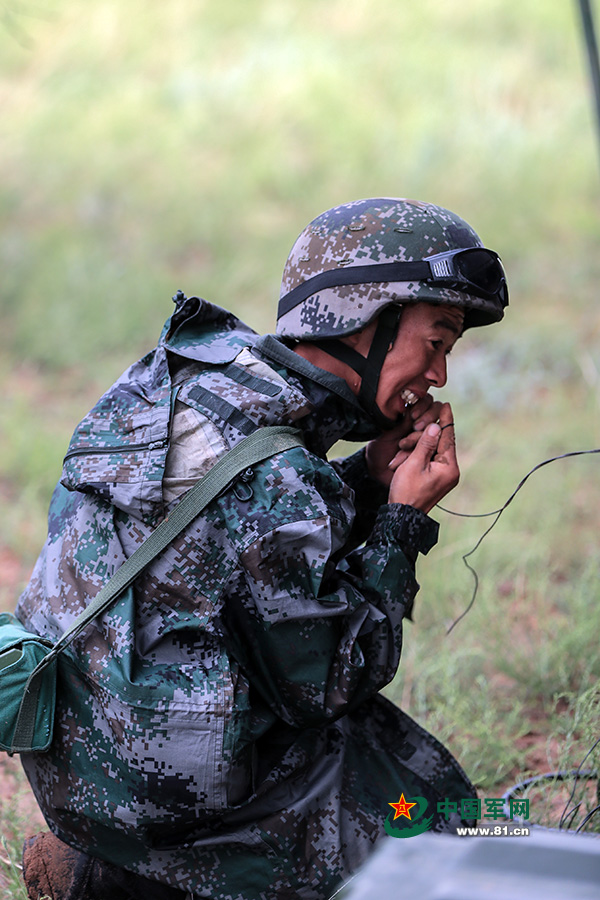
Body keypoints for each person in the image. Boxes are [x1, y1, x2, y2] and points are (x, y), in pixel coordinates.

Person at [17, 197, 508, 900]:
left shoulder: (205, 373)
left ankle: (110, 867)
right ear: (363, 317)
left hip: (74, 755)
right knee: (436, 825)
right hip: (153, 793)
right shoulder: (280, 476)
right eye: (437, 341)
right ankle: (129, 882)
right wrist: (402, 523)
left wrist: (366, 479)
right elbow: (332, 680)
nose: (439, 374)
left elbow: (228, 541)